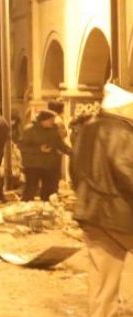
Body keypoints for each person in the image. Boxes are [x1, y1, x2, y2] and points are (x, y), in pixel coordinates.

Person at [71, 84, 133, 317]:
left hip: (91, 213)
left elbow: (75, 171)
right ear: (124, 108)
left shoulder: (87, 130)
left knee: (103, 280)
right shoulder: (122, 132)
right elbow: (127, 171)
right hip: (122, 216)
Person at [19, 109, 71, 202]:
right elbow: (22, 146)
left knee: (48, 191)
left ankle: (46, 209)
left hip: (49, 164)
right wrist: (39, 149)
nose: (53, 122)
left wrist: (72, 153)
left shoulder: (54, 129)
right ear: (43, 120)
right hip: (33, 165)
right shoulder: (29, 129)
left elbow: (60, 144)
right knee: (30, 189)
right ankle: (26, 209)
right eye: (51, 120)